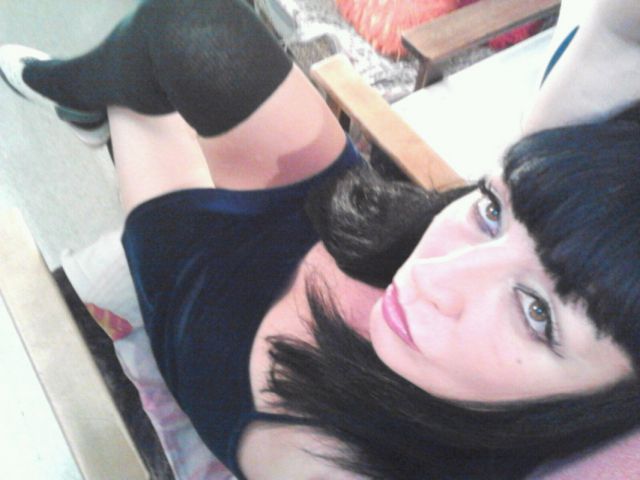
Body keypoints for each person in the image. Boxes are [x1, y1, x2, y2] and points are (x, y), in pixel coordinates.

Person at [2, 0, 640, 478]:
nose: (435, 276)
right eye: (492, 211)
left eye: (536, 313)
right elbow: (616, 38)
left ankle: (82, 100)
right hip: (350, 233)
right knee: (188, 25)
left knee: (138, 102)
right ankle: (79, 93)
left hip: (215, 322)